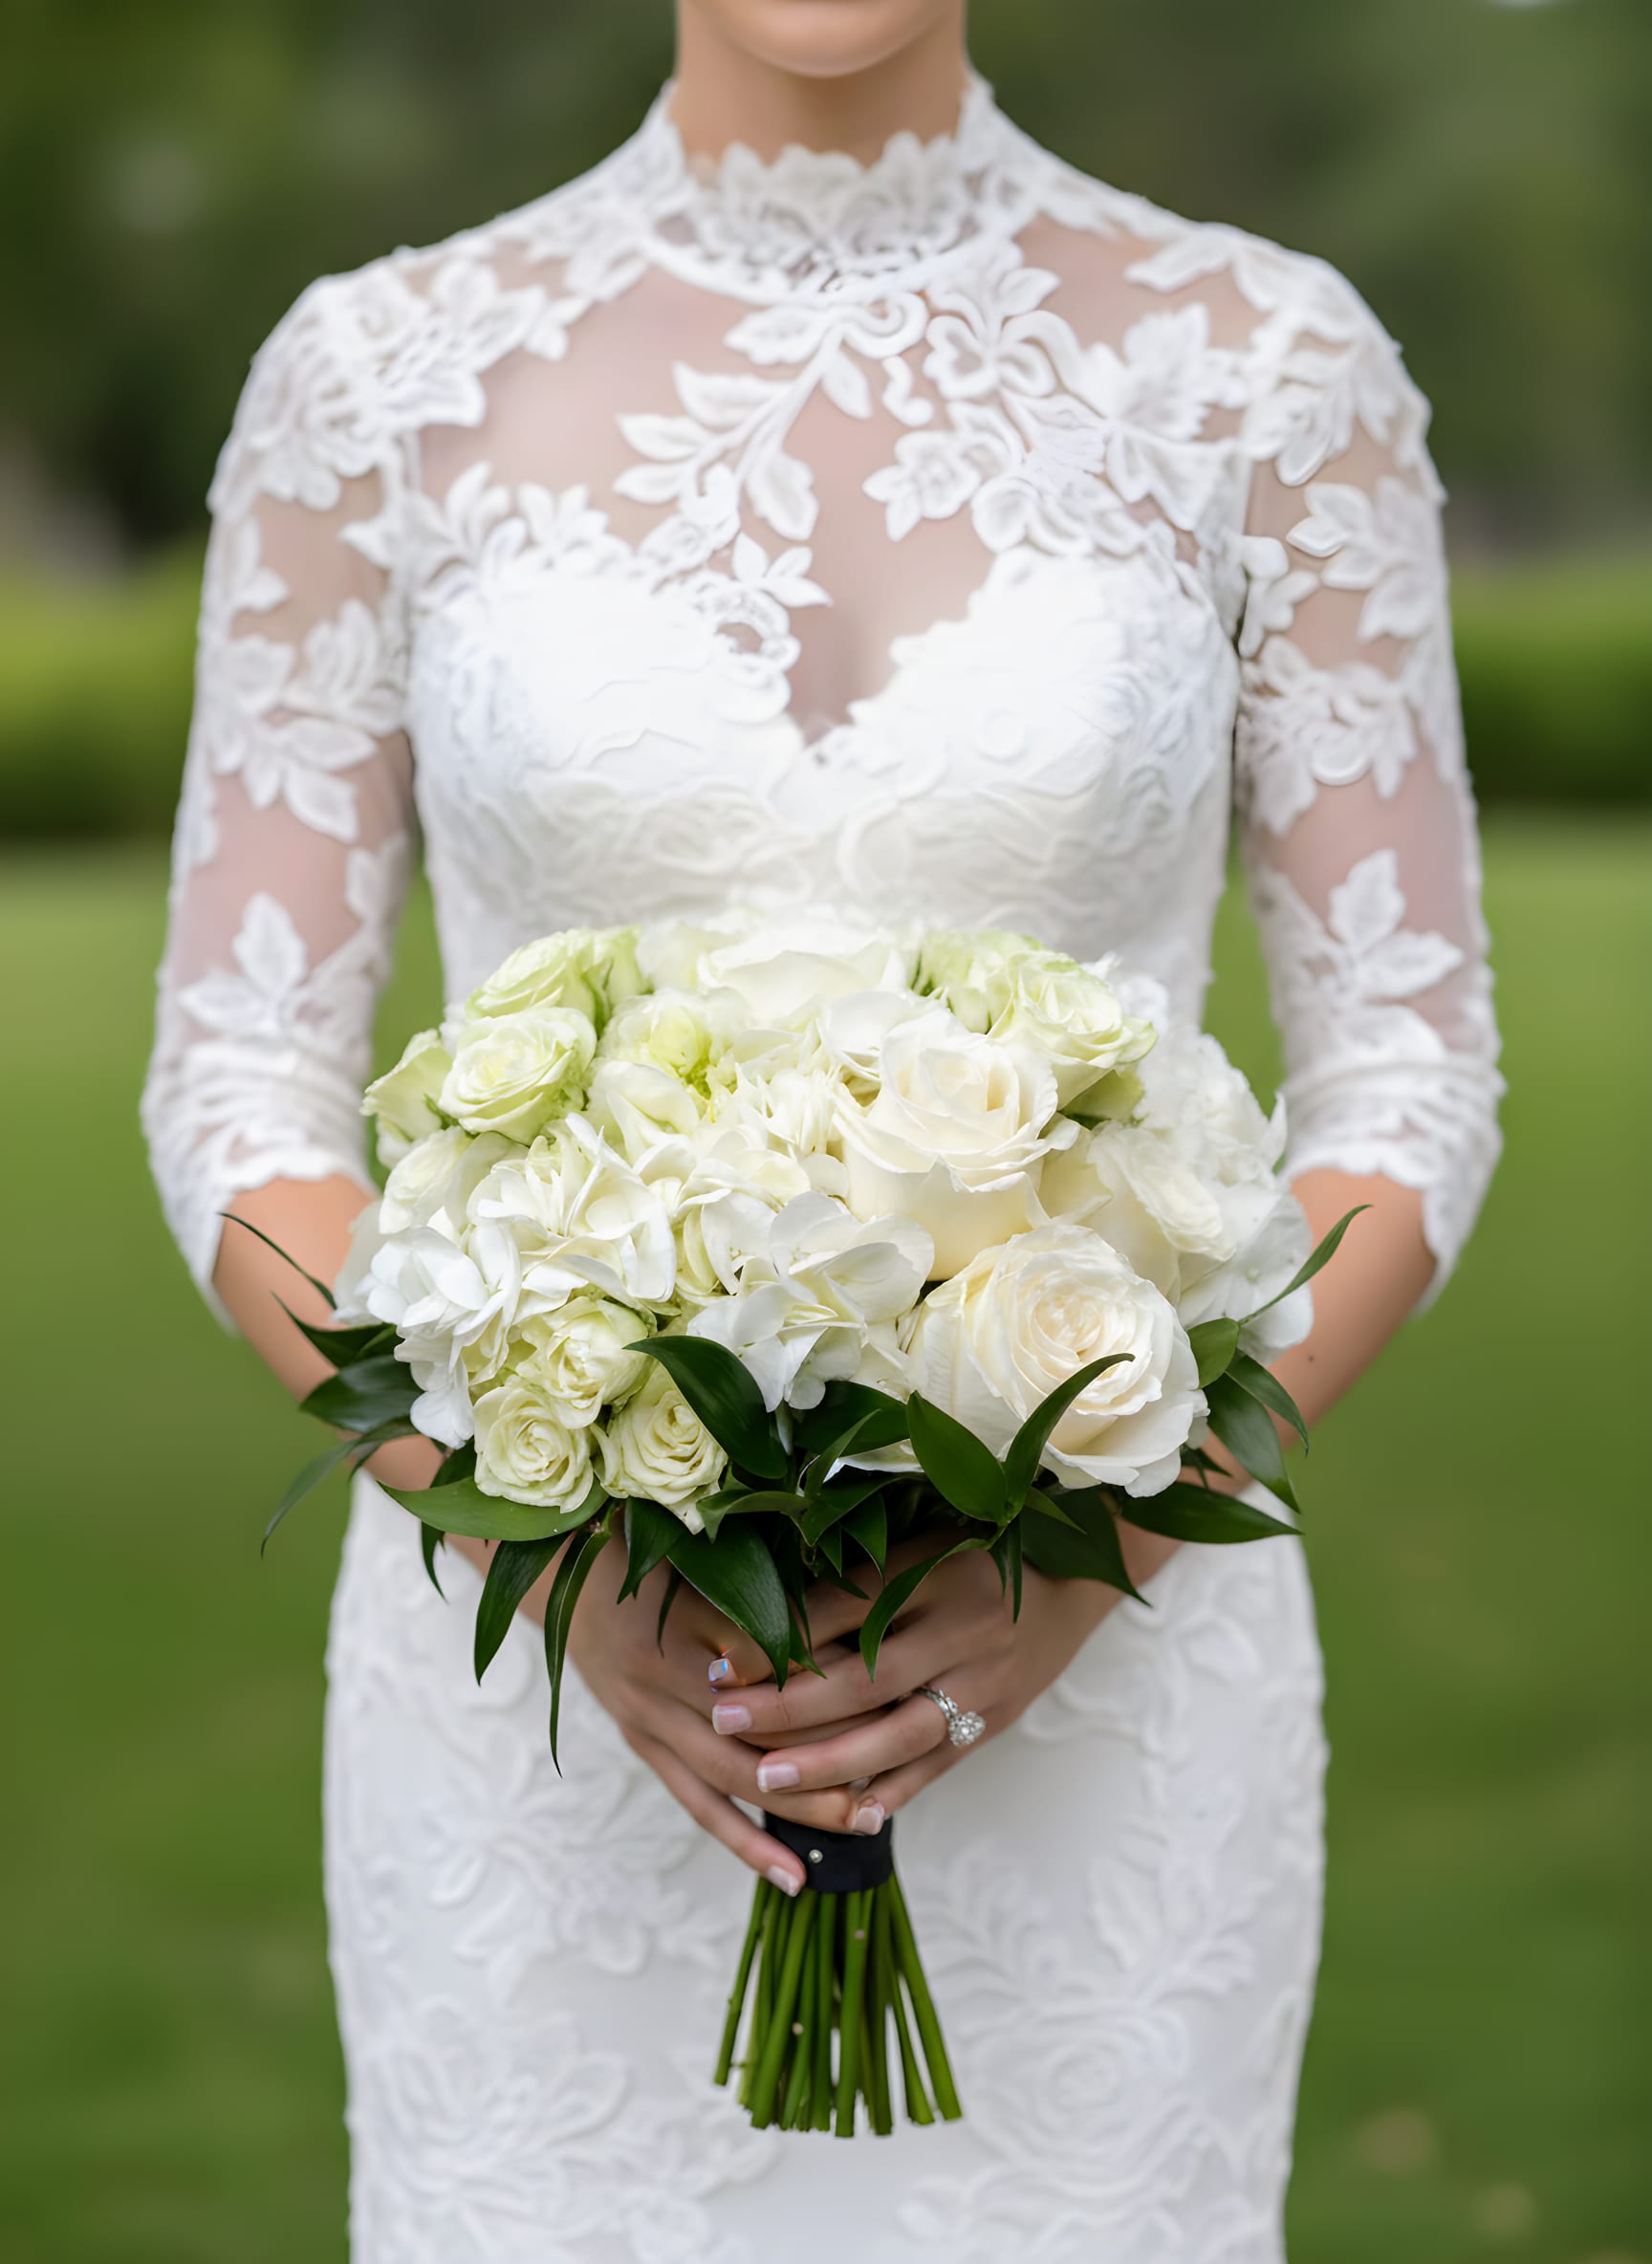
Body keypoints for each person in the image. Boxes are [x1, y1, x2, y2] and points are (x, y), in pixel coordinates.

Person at [141, 0, 1503, 2253]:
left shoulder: (1267, 362)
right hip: (558, 1729)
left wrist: (1119, 1535)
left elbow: (1410, 1070)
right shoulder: (377, 378)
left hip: (1110, 1696)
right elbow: (238, 1083)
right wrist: (529, 1530)